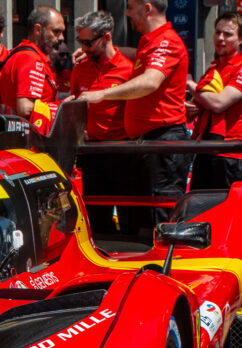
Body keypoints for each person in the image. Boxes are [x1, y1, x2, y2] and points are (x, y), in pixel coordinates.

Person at [75, 0, 189, 229]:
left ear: (147, 8)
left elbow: (150, 81)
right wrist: (97, 49)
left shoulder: (165, 40)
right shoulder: (150, 42)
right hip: (145, 144)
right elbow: (138, 58)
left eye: (130, 7)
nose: (127, 14)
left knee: (159, 217)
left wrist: (102, 94)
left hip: (162, 141)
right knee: (143, 218)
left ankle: (163, 264)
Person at [69, 10, 132, 234]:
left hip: (124, 151)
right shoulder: (79, 70)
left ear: (106, 37)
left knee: (130, 216)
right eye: (80, 41)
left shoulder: (130, 68)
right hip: (93, 152)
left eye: (88, 42)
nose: (84, 47)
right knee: (95, 217)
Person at [187, 12, 242, 191]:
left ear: (241, 38)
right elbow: (203, 102)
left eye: (228, 34)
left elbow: (219, 103)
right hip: (206, 149)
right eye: (218, 32)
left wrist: (188, 82)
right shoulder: (214, 68)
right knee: (199, 210)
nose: (221, 38)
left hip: (233, 154)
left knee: (226, 214)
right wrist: (192, 108)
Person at [0, 6, 65, 128]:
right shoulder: (30, 58)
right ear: (38, 30)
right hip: (28, 140)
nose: (61, 38)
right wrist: (61, 108)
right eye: (56, 32)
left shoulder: (20, 54)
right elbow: (25, 108)